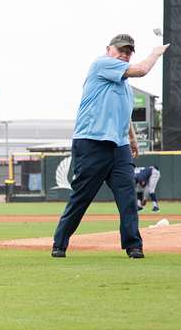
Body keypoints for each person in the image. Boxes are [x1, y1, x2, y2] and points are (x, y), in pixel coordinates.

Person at [51, 34, 169, 259]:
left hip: (119, 147)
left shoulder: (125, 86)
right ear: (109, 50)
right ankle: (60, 242)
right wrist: (155, 53)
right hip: (91, 142)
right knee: (82, 197)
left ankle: (134, 245)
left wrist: (132, 139)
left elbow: (124, 114)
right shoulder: (101, 64)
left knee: (127, 197)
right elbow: (142, 70)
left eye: (128, 52)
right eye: (121, 50)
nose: (124, 55)